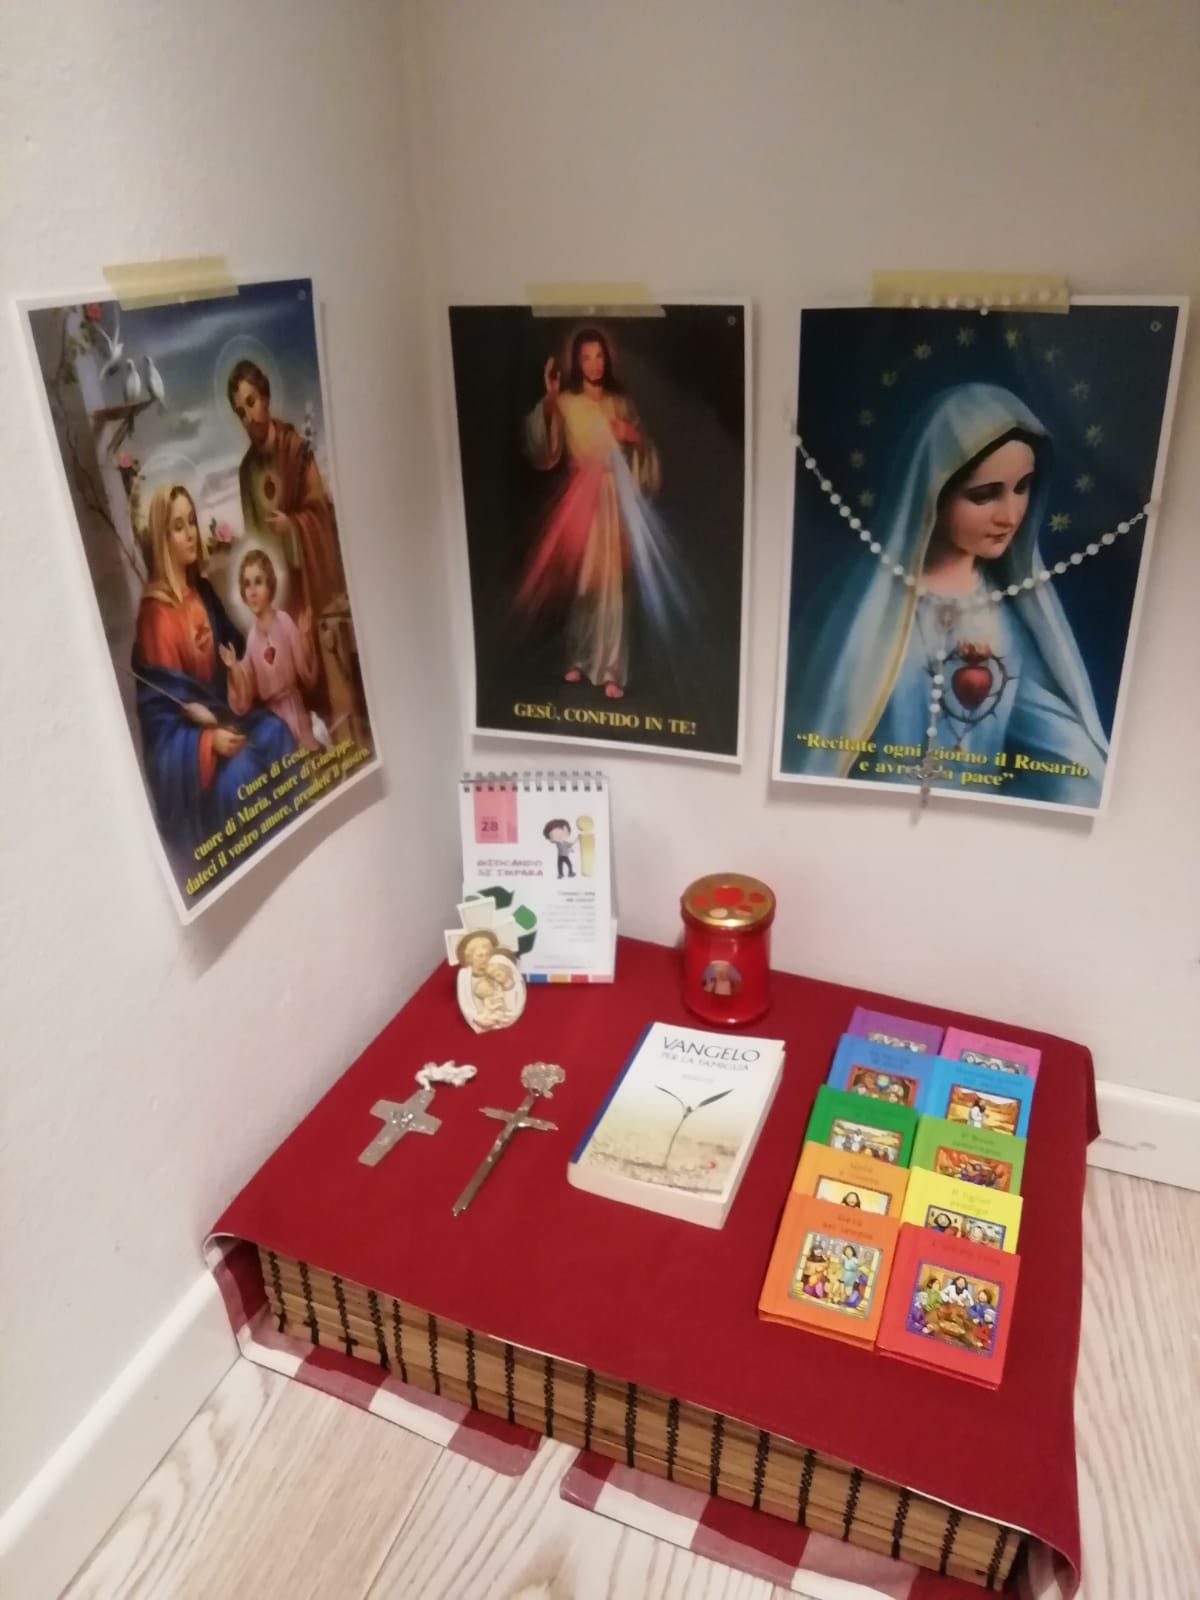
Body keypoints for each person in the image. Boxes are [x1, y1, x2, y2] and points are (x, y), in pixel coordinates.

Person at [783, 384, 1109, 804]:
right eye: (984, 494)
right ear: (933, 492)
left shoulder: (1006, 621)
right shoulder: (864, 610)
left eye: (1023, 487)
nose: (1010, 515)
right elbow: (815, 751)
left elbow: (1073, 763)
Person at [132, 485, 295, 861]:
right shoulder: (155, 618)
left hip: (227, 715)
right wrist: (207, 743)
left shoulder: (202, 591)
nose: (190, 533)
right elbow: (161, 728)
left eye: (191, 522)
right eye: (178, 527)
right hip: (197, 755)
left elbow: (233, 653)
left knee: (276, 732)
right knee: (241, 773)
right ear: (162, 539)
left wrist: (235, 670)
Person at [517, 326, 680, 698]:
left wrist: (633, 436)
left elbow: (645, 451)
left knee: (613, 584)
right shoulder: (566, 402)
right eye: (586, 357)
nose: (594, 364)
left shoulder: (620, 404)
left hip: (615, 495)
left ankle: (611, 670)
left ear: (607, 359)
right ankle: (578, 657)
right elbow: (543, 449)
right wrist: (549, 399)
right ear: (578, 362)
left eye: (599, 356)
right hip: (581, 498)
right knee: (584, 581)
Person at [227, 359, 346, 620]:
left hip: (308, 581)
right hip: (278, 595)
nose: (248, 418)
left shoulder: (296, 451)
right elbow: (253, 539)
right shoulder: (247, 471)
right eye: (240, 413)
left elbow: (320, 512)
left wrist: (292, 524)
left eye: (251, 402)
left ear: (265, 397)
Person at [224, 550, 321, 751]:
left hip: (295, 711)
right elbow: (246, 690)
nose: (252, 592)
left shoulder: (284, 621)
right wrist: (234, 668)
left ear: (270, 585)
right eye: (247, 584)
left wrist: (304, 638)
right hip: (273, 721)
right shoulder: (252, 639)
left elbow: (304, 670)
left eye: (258, 582)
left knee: (306, 755)